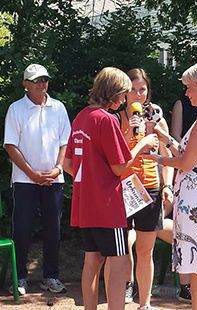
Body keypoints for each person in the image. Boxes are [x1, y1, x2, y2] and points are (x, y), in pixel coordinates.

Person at [63, 67, 158, 310]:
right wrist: (143, 143)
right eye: (124, 93)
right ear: (114, 93)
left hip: (86, 202)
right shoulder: (107, 119)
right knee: (121, 262)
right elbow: (119, 167)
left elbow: (68, 164)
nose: (126, 99)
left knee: (92, 261)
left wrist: (92, 180)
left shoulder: (82, 116)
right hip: (108, 205)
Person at [146, 62, 197, 310]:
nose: (187, 93)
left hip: (196, 197)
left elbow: (185, 162)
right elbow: (189, 153)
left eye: (190, 87)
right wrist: (166, 138)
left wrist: (157, 158)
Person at [3, 64, 71, 295]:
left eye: (44, 79)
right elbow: (10, 145)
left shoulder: (58, 108)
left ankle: (50, 276)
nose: (41, 84)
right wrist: (31, 173)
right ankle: (19, 277)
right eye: (36, 80)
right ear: (25, 84)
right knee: (22, 229)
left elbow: (65, 142)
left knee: (54, 229)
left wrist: (58, 168)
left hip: (54, 179)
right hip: (24, 181)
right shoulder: (16, 109)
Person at [114, 68, 174, 310]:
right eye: (133, 90)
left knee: (145, 250)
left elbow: (167, 155)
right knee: (120, 246)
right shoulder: (116, 119)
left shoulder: (158, 120)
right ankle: (123, 289)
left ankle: (145, 303)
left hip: (150, 188)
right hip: (123, 188)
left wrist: (167, 184)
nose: (138, 95)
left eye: (142, 89)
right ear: (125, 93)